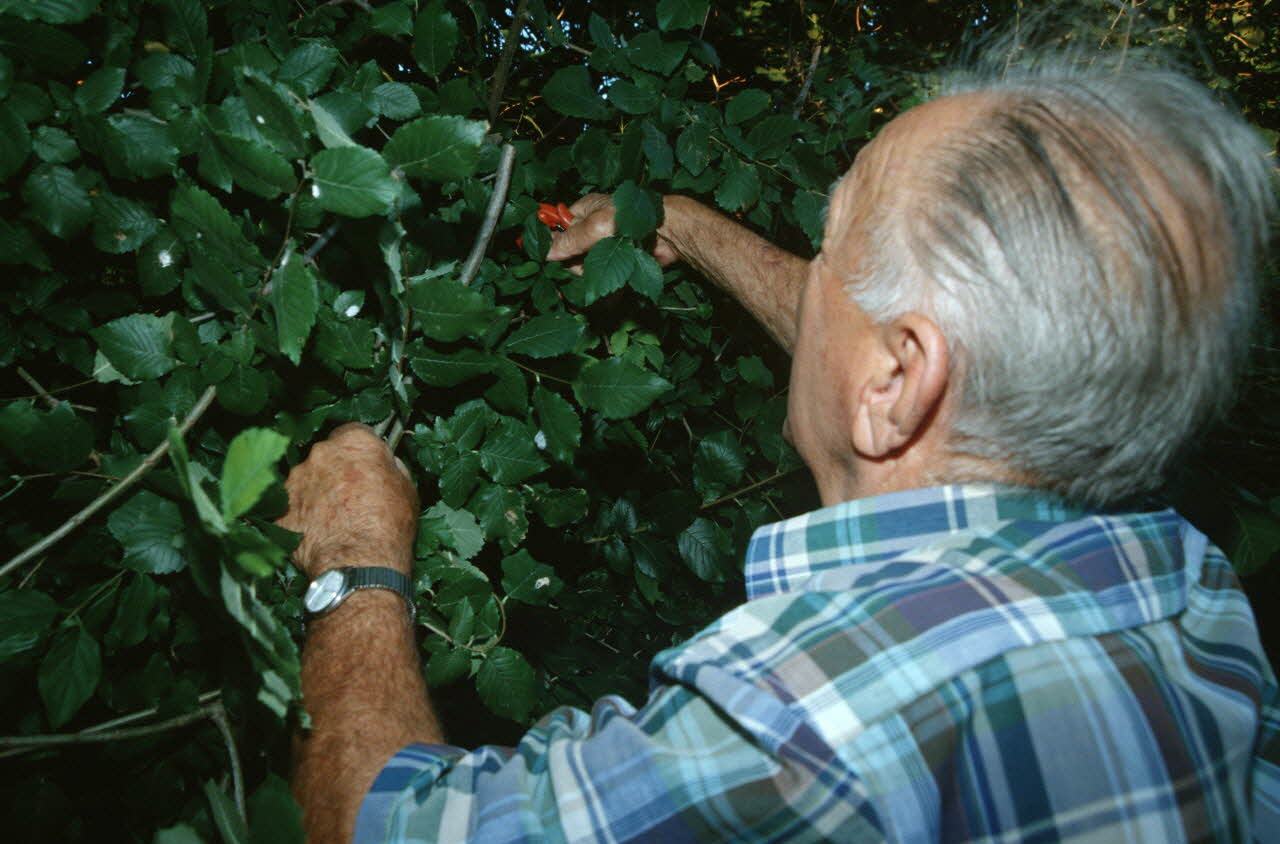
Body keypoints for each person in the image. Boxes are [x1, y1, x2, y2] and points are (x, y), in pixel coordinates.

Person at [280, 47, 1279, 843]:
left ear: (896, 382)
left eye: (831, 244)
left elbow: (380, 825)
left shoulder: (814, 717)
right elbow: (850, 332)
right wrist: (679, 225)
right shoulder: (1185, 586)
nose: (809, 276)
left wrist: (354, 562)